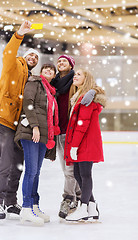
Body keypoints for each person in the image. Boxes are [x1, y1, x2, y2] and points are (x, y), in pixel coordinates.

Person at [0, 20, 40, 220]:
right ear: (24, 56)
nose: (34, 58)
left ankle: (11, 202)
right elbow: (8, 53)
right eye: (31, 55)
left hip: (20, 124)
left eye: (36, 57)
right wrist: (19, 34)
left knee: (18, 163)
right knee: (6, 161)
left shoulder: (31, 77)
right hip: (4, 118)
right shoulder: (14, 65)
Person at [50, 55, 96, 219]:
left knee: (71, 171)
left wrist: (93, 91)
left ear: (71, 65)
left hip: (71, 132)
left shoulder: (75, 81)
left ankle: (69, 199)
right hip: (58, 132)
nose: (61, 63)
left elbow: (92, 86)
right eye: (59, 61)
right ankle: (87, 202)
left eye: (65, 61)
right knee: (68, 171)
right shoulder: (53, 84)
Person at [14, 63, 60, 226]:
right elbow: (28, 103)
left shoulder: (51, 92)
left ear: (54, 75)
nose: (48, 71)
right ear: (41, 72)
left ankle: (34, 205)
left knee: (37, 172)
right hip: (31, 132)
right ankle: (26, 208)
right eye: (45, 69)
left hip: (43, 135)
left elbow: (51, 117)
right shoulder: (34, 83)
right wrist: (34, 126)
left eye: (51, 70)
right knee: (31, 171)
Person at [64, 68, 106, 221]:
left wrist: (74, 146)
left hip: (85, 142)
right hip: (83, 142)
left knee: (85, 175)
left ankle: (83, 207)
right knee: (77, 174)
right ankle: (92, 207)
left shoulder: (86, 99)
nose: (75, 76)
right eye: (75, 74)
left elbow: (82, 124)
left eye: (79, 74)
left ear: (86, 79)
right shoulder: (79, 97)